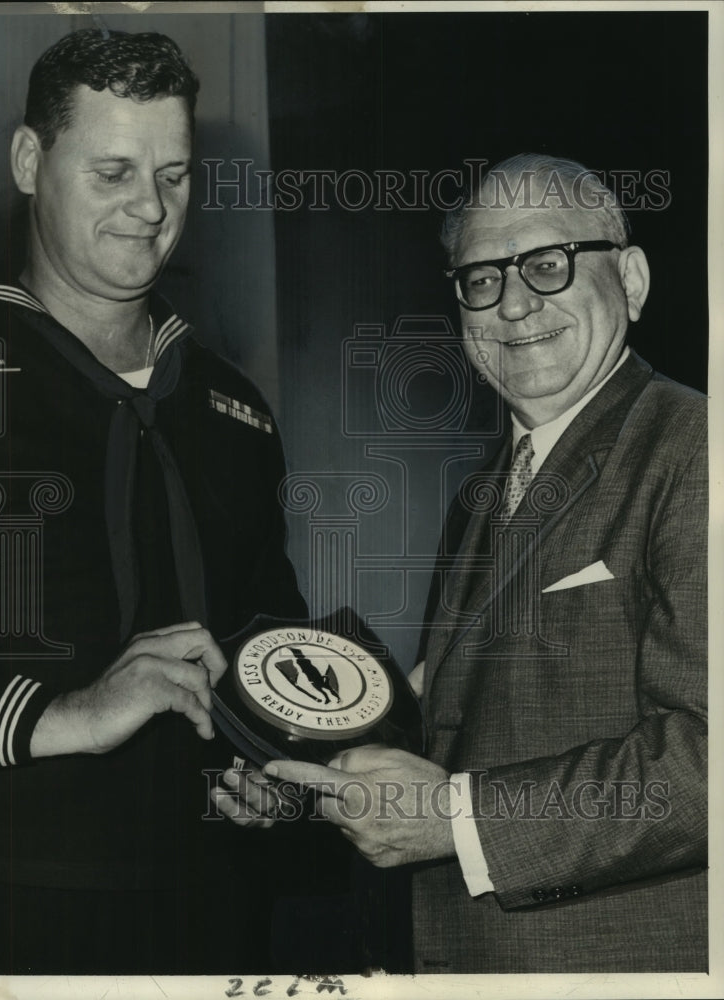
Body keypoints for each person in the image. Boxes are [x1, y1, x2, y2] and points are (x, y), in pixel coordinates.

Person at [260, 154, 707, 973]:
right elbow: (462, 734)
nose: (514, 303)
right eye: (481, 279)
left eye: (547, 264)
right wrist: (297, 774)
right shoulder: (486, 491)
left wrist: (457, 821)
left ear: (632, 280)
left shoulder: (694, 451)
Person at [0, 28, 310, 974]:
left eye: (175, 175)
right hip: (3, 904)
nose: (151, 208)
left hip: (215, 908)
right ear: (30, 161)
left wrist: (278, 765)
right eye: (113, 173)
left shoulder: (235, 410)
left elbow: (275, 641)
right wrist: (65, 713)